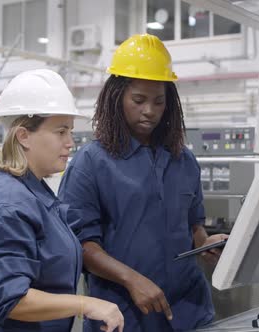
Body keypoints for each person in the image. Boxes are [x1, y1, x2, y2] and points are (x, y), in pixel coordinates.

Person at [58, 34, 228, 331]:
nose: (149, 110)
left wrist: (207, 245)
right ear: (117, 97)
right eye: (138, 100)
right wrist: (132, 279)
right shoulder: (92, 162)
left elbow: (193, 227)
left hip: (189, 311)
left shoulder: (183, 161)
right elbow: (81, 245)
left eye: (158, 101)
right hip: (125, 315)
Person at [0, 69, 124, 332]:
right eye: (61, 132)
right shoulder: (6, 206)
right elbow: (10, 299)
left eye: (70, 131)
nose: (70, 143)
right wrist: (86, 304)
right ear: (23, 136)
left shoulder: (35, 193)